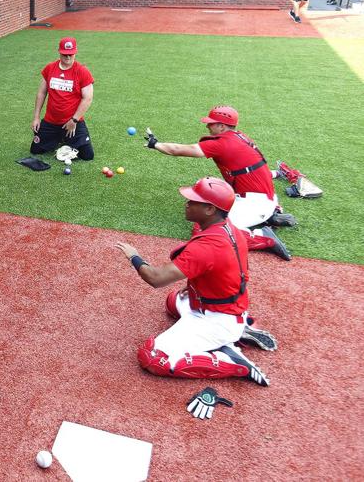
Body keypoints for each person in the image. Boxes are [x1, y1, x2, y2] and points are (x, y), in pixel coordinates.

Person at [115, 177, 277, 386]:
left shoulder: (206, 246)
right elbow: (228, 270)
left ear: (210, 209)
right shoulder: (229, 228)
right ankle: (239, 330)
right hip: (226, 306)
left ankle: (230, 361)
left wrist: (134, 256)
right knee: (172, 302)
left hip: (217, 320)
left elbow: (155, 278)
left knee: (152, 358)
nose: (187, 204)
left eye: (194, 201)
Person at [144, 106, 293, 261]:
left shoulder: (222, 144)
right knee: (211, 204)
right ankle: (270, 216)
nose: (207, 126)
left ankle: (265, 237)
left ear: (222, 126)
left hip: (255, 204)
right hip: (261, 198)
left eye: (211, 123)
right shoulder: (239, 136)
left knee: (206, 230)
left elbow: (177, 149)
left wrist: (155, 144)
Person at [30, 37, 95, 161]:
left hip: (72, 122)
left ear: (75, 52)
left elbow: (87, 98)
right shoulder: (50, 68)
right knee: (35, 150)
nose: (68, 57)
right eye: (65, 54)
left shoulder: (82, 71)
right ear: (59, 52)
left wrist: (74, 120)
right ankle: (60, 138)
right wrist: (36, 117)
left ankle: (65, 138)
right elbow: (41, 93)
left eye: (71, 54)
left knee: (87, 155)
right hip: (51, 121)